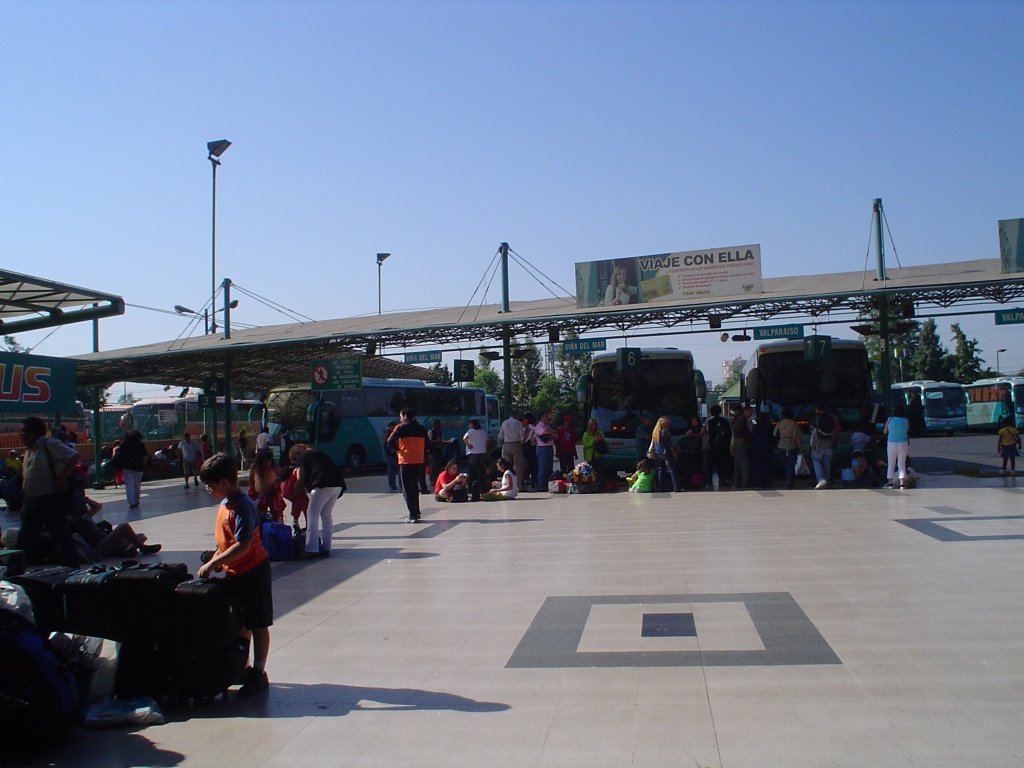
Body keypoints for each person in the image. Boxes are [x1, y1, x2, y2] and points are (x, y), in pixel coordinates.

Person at [197, 453, 273, 696]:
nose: (208, 490)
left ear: (224, 483)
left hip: (253, 571)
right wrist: (218, 558)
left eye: (210, 485)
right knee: (240, 621)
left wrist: (212, 564)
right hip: (235, 571)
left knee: (258, 622)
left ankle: (258, 671)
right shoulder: (224, 504)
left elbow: (244, 544)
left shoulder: (243, 506)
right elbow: (227, 543)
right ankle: (242, 665)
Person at [15, 417, 80, 567]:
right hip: (31, 501)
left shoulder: (48, 444)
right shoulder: (29, 450)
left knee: (61, 536)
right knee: (25, 539)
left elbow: (73, 456)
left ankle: (72, 568)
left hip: (49, 499)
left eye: (23, 432)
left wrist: (61, 476)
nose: (21, 435)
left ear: (33, 433)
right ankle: (15, 571)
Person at [292, 445, 345, 555]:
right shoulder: (320, 453)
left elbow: (300, 478)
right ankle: (327, 547)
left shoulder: (303, 456)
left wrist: (294, 492)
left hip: (321, 484)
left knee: (312, 513)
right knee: (326, 514)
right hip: (337, 485)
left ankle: (311, 548)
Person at [387, 408, 429, 523]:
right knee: (415, 487)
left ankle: (413, 515)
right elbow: (428, 445)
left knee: (407, 488)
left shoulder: (401, 427)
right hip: (419, 461)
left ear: (405, 416)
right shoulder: (421, 428)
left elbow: (389, 441)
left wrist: (398, 450)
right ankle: (417, 512)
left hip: (406, 460)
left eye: (400, 416)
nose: (400, 418)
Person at [247, 450, 286, 523]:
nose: (266, 464)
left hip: (273, 494)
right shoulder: (255, 467)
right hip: (258, 495)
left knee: (277, 514)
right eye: (264, 462)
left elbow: (280, 478)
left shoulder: (275, 467)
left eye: (268, 461)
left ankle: (278, 529)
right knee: (257, 513)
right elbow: (251, 481)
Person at [648, 416, 680, 492]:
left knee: (661, 469)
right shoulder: (664, 431)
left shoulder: (655, 431)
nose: (668, 422)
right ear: (663, 423)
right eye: (667, 421)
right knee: (672, 469)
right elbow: (669, 444)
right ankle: (676, 487)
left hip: (657, 452)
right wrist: (674, 453)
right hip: (665, 451)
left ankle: (661, 487)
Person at [118, 429, 148, 509]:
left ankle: (131, 502)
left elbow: (120, 455)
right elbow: (145, 456)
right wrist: (143, 465)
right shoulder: (141, 444)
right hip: (138, 467)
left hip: (126, 467)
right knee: (137, 485)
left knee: (129, 484)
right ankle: (136, 500)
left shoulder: (124, 444)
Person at [774, 406, 802, 489]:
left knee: (785, 464)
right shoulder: (793, 423)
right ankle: (789, 481)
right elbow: (797, 437)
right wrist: (800, 448)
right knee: (791, 464)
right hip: (792, 445)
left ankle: (787, 480)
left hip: (781, 445)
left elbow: (775, 434)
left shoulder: (780, 423)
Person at [809, 403, 836, 490]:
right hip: (828, 446)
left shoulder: (815, 418)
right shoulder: (831, 418)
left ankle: (821, 480)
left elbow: (813, 432)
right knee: (827, 465)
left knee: (816, 461)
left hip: (818, 445)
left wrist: (812, 445)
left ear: (817, 409)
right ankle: (827, 482)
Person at [462, 418, 489, 501]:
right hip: (482, 452)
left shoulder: (471, 431)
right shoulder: (482, 431)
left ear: (472, 425)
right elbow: (487, 441)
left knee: (471, 470)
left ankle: (470, 488)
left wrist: (468, 444)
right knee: (481, 470)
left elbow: (464, 438)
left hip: (473, 452)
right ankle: (482, 488)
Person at [498, 411, 527, 483]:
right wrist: (522, 442)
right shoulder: (518, 423)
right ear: (515, 416)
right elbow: (522, 436)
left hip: (506, 444)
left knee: (506, 466)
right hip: (516, 444)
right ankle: (518, 485)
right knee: (518, 466)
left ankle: (508, 483)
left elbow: (500, 436)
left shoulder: (504, 423)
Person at [750, 405, 774, 488]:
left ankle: (759, 481)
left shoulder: (755, 427)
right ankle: (767, 481)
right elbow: (772, 437)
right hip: (767, 448)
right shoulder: (770, 427)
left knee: (758, 466)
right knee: (767, 466)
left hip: (757, 448)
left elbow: (752, 437)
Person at [730, 405, 752, 489]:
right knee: (745, 463)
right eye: (750, 412)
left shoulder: (737, 419)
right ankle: (745, 482)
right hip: (741, 442)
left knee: (738, 463)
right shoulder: (742, 418)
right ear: (745, 411)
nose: (751, 414)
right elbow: (737, 430)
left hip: (737, 443)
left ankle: (736, 482)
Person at [533, 411, 555, 491]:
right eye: (546, 416)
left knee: (549, 467)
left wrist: (551, 432)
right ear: (542, 417)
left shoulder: (548, 426)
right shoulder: (539, 426)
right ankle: (540, 485)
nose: (548, 418)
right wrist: (551, 432)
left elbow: (556, 434)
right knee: (542, 468)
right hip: (542, 449)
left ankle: (548, 484)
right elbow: (544, 432)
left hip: (549, 447)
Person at [581, 418, 608, 483]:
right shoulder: (586, 434)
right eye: (592, 425)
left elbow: (605, 441)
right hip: (590, 457)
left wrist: (600, 439)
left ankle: (601, 485)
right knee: (591, 472)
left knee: (600, 471)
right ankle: (592, 485)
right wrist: (593, 440)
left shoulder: (600, 432)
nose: (594, 427)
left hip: (599, 455)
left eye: (595, 425)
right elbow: (586, 444)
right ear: (589, 426)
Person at [427, 419, 447, 488]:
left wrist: (443, 442)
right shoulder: (430, 431)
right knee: (433, 467)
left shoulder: (440, 432)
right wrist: (436, 441)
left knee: (439, 466)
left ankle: (438, 480)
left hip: (439, 451)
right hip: (432, 452)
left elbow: (441, 440)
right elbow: (428, 441)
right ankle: (432, 480)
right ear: (434, 425)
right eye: (438, 425)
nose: (440, 426)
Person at [383, 421, 401, 492]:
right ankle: (396, 485)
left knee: (392, 471)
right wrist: (394, 450)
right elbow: (387, 444)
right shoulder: (389, 433)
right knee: (395, 470)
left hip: (391, 454)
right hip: (392, 454)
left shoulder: (389, 433)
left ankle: (393, 485)